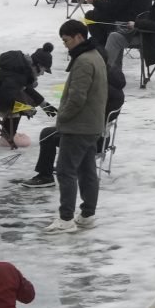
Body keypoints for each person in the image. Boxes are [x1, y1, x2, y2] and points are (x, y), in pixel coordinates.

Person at [46, 19, 107, 231]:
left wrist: (62, 117)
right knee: (87, 170)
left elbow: (77, 98)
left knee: (65, 171)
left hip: (78, 126)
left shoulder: (83, 61)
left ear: (79, 37)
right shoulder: (95, 55)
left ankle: (65, 219)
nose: (65, 45)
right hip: (92, 125)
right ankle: (87, 214)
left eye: (67, 40)